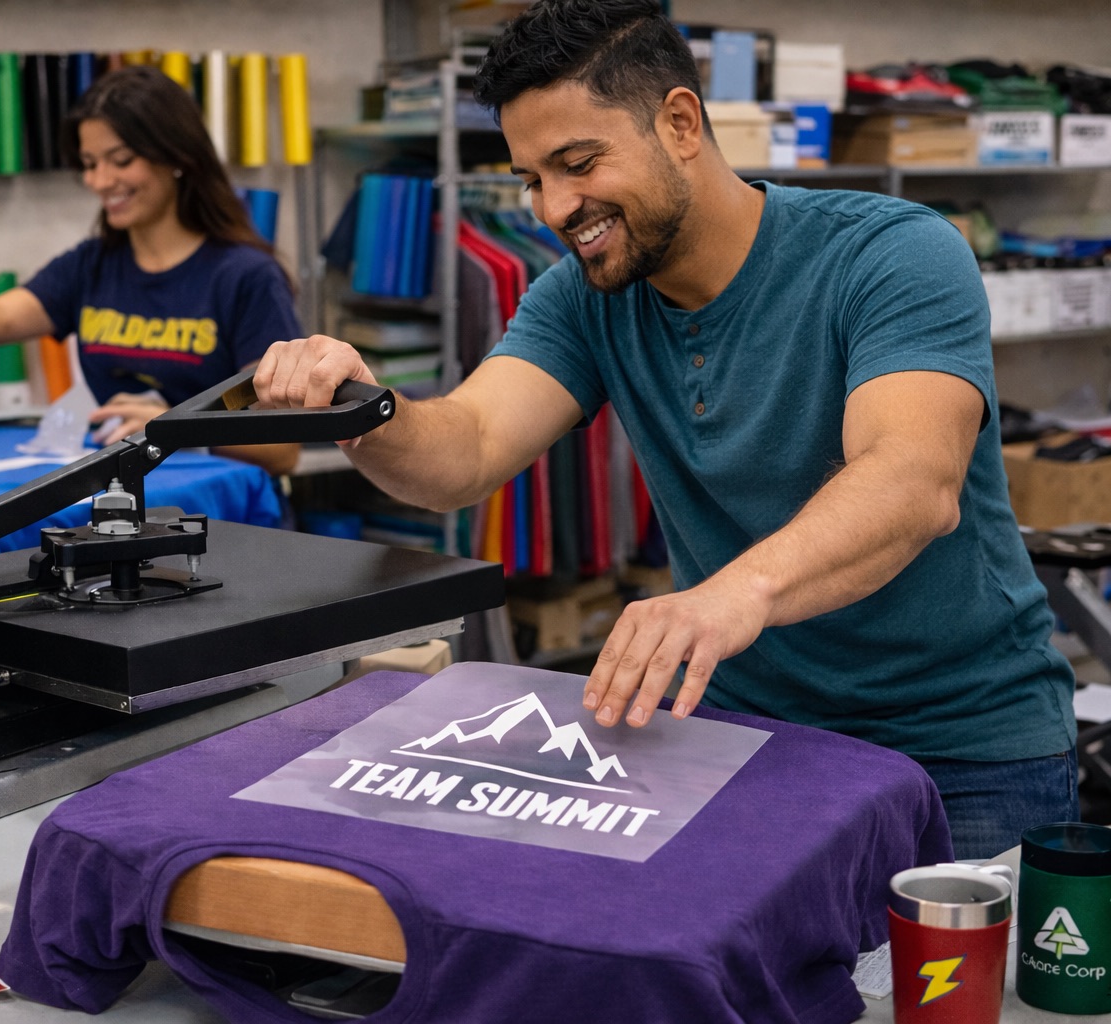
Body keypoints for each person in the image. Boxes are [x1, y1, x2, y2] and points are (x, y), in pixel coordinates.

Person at [254, 0, 1079, 859]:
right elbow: (464, 452)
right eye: (532, 179)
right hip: (743, 737)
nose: (553, 208)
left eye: (578, 163)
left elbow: (914, 479)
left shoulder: (891, 254)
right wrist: (365, 407)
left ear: (680, 122)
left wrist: (731, 597)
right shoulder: (582, 296)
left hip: (967, 750)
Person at [0, 65, 300, 475]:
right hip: (126, 497)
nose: (100, 181)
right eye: (89, 163)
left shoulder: (246, 277)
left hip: (217, 509)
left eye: (120, 160)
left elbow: (281, 449)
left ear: (176, 156)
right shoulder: (91, 265)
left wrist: (176, 427)